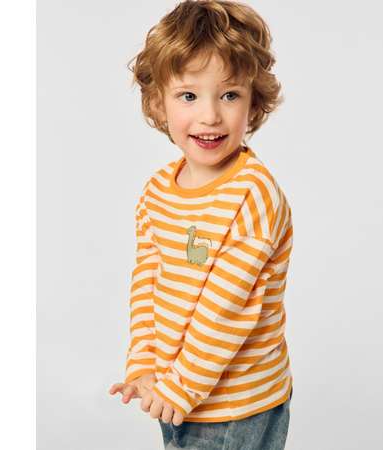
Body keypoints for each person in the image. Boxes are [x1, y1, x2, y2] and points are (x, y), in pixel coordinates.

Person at [109, 1, 294, 448]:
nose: (210, 115)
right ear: (159, 102)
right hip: (177, 392)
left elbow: (229, 309)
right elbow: (149, 281)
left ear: (253, 102)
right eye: (188, 96)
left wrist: (181, 386)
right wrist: (145, 364)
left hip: (235, 405)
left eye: (229, 95)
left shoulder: (252, 194)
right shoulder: (158, 191)